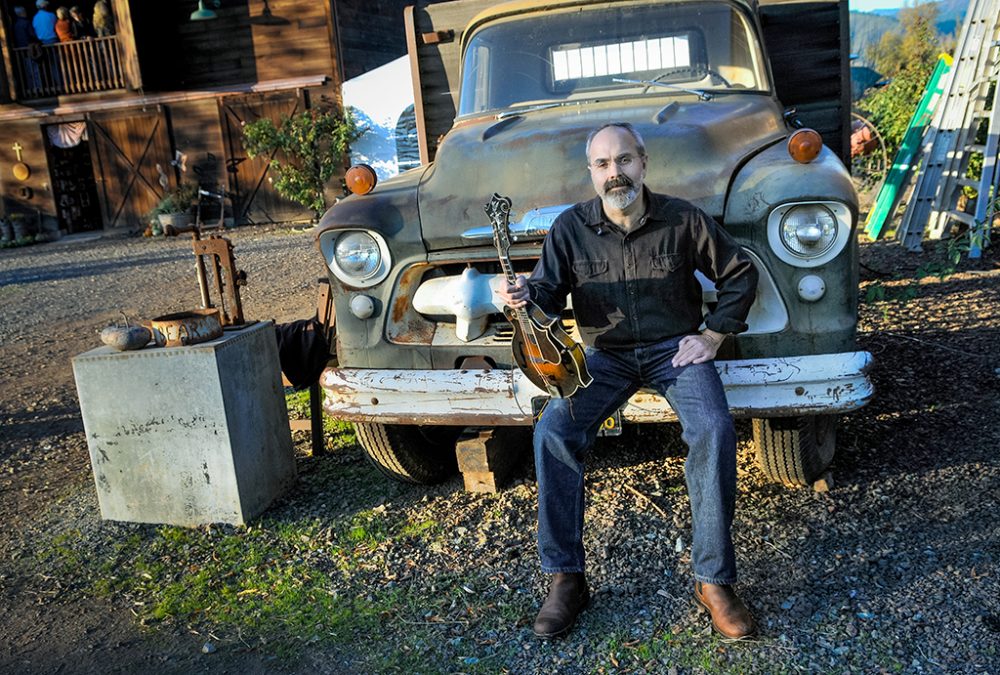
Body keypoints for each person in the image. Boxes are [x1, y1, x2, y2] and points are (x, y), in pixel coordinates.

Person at [496, 122, 760, 640]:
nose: (614, 173)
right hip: (605, 358)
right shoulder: (570, 228)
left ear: (643, 163)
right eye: (602, 164)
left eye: (624, 161)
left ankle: (713, 581)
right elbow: (548, 295)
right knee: (553, 431)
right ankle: (566, 580)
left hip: (675, 351)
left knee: (713, 429)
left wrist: (710, 337)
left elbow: (739, 274)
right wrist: (523, 296)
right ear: (591, 173)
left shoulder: (683, 218)